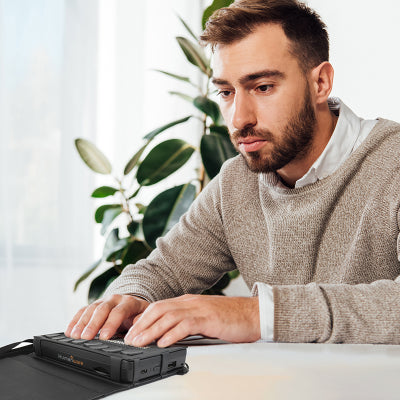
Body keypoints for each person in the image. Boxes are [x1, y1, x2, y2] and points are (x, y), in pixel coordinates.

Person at [66, 0, 400, 346]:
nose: (239, 119)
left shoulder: (393, 161)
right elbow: (161, 271)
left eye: (263, 87)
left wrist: (254, 314)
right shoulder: (236, 181)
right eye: (226, 92)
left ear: (320, 82)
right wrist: (127, 299)